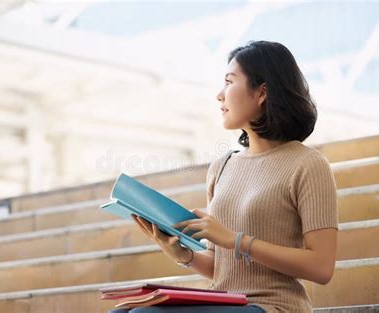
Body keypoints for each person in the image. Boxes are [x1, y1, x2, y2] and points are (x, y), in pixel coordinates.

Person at [109, 40, 338, 313]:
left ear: (261, 92)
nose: (220, 95)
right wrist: (184, 255)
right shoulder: (222, 166)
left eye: (229, 82)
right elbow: (222, 267)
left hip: (274, 307)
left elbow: (321, 267)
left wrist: (236, 240)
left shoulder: (308, 164)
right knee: (121, 312)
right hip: (225, 303)